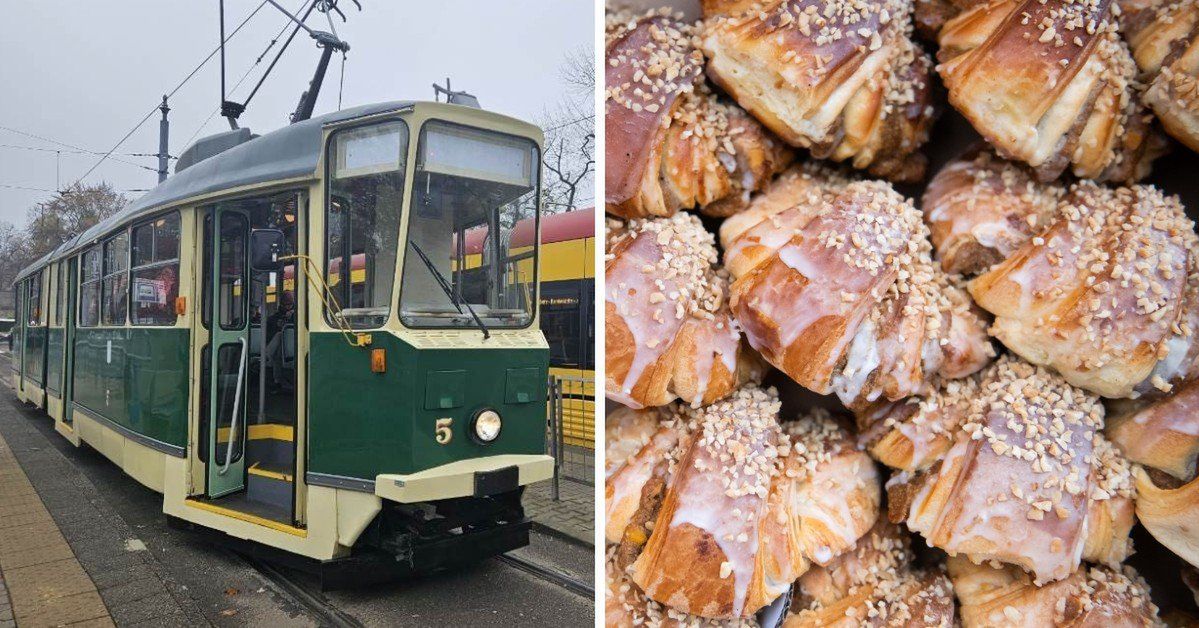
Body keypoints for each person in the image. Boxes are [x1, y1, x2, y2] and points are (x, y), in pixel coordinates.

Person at [264, 291, 295, 391]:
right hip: (281, 348)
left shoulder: (298, 315)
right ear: (281, 304)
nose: (288, 307)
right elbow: (268, 334)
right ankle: (278, 380)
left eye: (290, 304)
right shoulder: (273, 319)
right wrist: (279, 325)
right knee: (278, 349)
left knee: (279, 336)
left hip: (294, 345)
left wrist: (292, 317)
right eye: (286, 304)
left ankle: (266, 356)